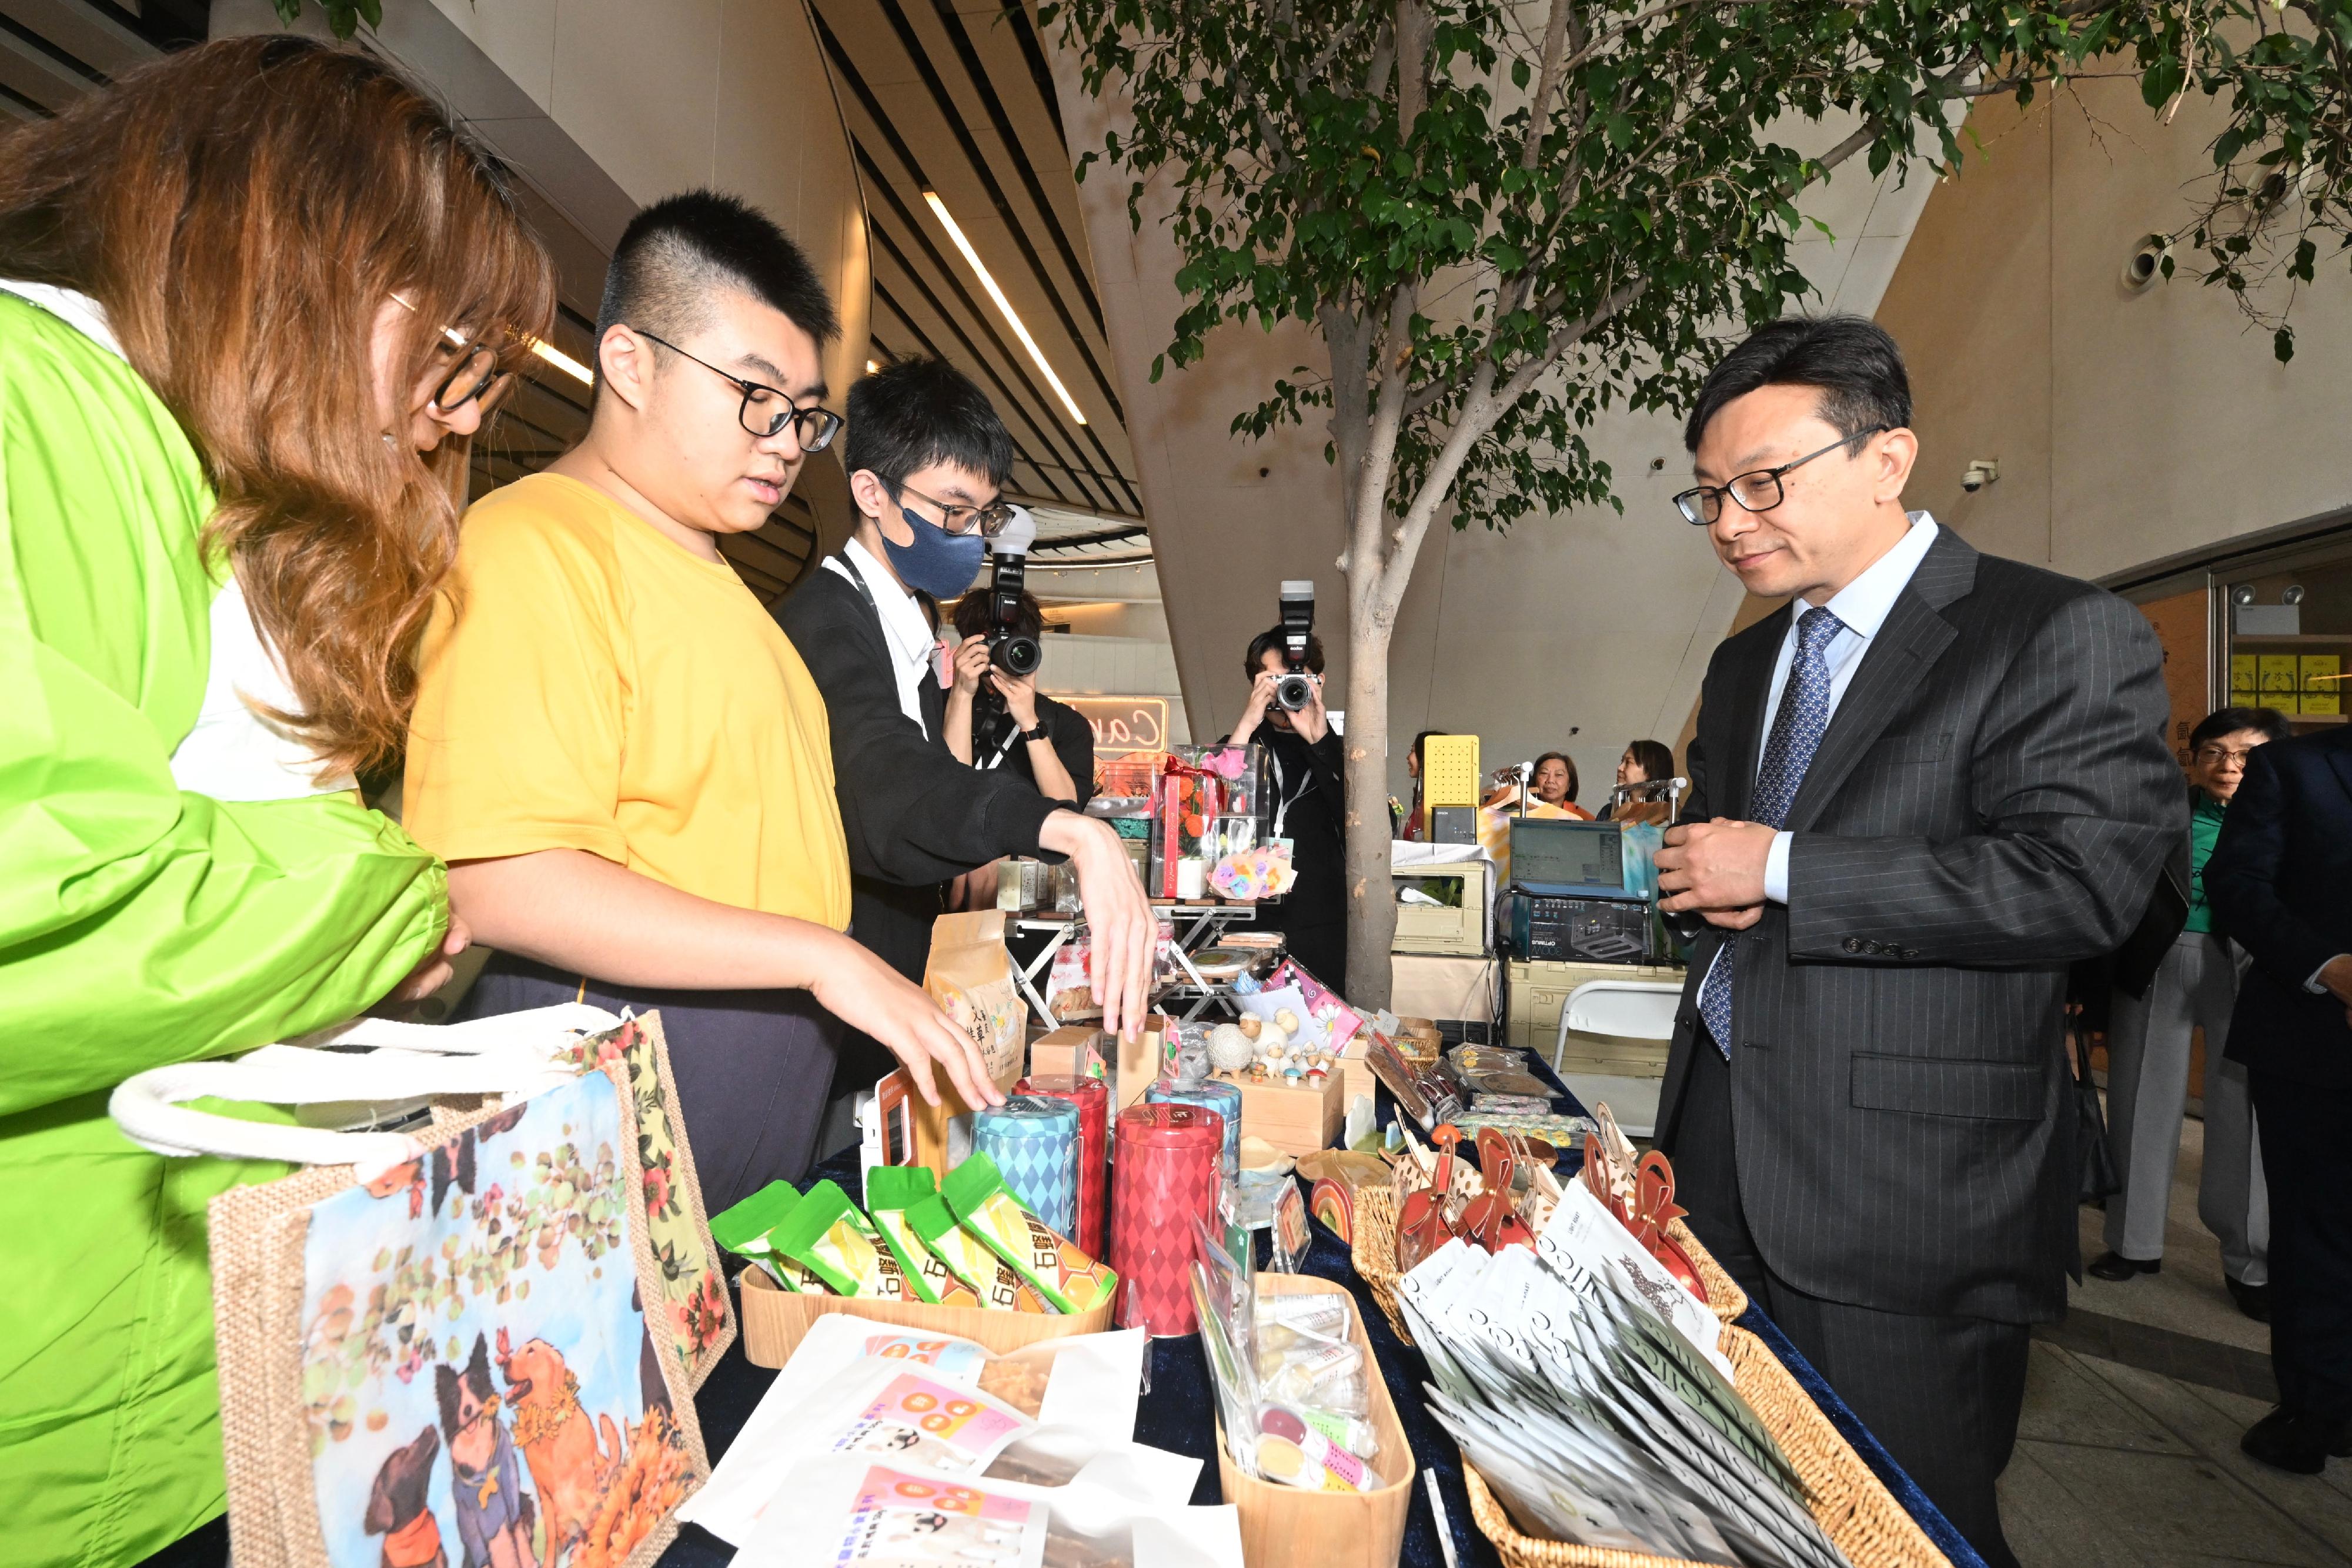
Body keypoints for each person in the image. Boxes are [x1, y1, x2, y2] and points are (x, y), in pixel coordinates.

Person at [0, 37, 556, 1565]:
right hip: (59, 1436)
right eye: (441, 353)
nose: (447, 419)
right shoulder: (32, 403)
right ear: (297, 254)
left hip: (208, 1388)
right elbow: (40, 897)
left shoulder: (202, 480)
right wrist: (387, 896)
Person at [1650, 316, 2179, 1566]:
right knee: (1730, 1506)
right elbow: (1732, 837)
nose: (1730, 520)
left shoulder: (2050, 632)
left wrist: (1776, 866)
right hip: (1715, 1149)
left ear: (1886, 457)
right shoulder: (1742, 666)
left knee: (1899, 1526)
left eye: (1761, 483)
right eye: (1708, 494)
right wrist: (1708, 871)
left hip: (1906, 1193)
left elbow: (2079, 884)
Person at [405, 192, 998, 1216]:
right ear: (630, 363)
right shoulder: (533, 548)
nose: (783, 443)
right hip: (600, 1176)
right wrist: (825, 958)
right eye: (754, 398)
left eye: (804, 418)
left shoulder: (745, 609)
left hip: (750, 1158)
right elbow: (500, 879)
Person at [772, 357, 1154, 1071]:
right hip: (821, 1033)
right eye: (953, 511)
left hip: (883, 998)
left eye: (984, 516)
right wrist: (1065, 829)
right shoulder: (827, 622)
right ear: (871, 492)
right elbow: (889, 787)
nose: (972, 536)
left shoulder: (905, 628)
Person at [2090, 706, 2289, 1319]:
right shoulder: (2158, 812)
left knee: (2245, 1115)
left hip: (2251, 969)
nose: (2228, 766)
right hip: (2159, 960)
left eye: (2246, 754)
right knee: (2136, 1100)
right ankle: (2133, 1242)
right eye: (2214, 752)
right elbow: (2110, 889)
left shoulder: (2294, 819)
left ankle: (2249, 1261)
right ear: (2195, 760)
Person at [2204, 721, 2352, 1473]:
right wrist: (2329, 968)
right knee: (2316, 1233)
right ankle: (2316, 1408)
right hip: (2313, 1044)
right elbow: (2234, 885)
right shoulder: (2294, 768)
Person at [943, 586, 1097, 911]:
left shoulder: (1066, 725)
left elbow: (1067, 810)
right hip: (945, 892)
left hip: (1032, 901)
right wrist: (961, 695)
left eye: (1015, 644)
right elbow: (949, 796)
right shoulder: (938, 706)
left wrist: (1029, 721)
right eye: (991, 644)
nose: (1003, 653)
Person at [1228, 624, 1348, 994]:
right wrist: (1248, 722)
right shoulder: (1242, 744)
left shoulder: (1345, 752)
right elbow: (1207, 812)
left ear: (1319, 681)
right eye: (1275, 680)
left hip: (1319, 919)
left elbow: (1373, 826)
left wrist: (1321, 741)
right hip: (1248, 917)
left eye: (1296, 679)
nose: (1287, 691)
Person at [1483, 750, 1592, 818]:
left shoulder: (1584, 819)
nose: (1550, 780)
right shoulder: (1516, 814)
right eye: (1544, 773)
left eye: (1559, 775)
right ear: (1535, 780)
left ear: (1569, 784)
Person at [1598, 738, 1678, 820]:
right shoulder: (1607, 812)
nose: (1620, 768)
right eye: (1622, 761)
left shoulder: (1669, 816)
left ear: (1649, 771)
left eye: (1628, 762)